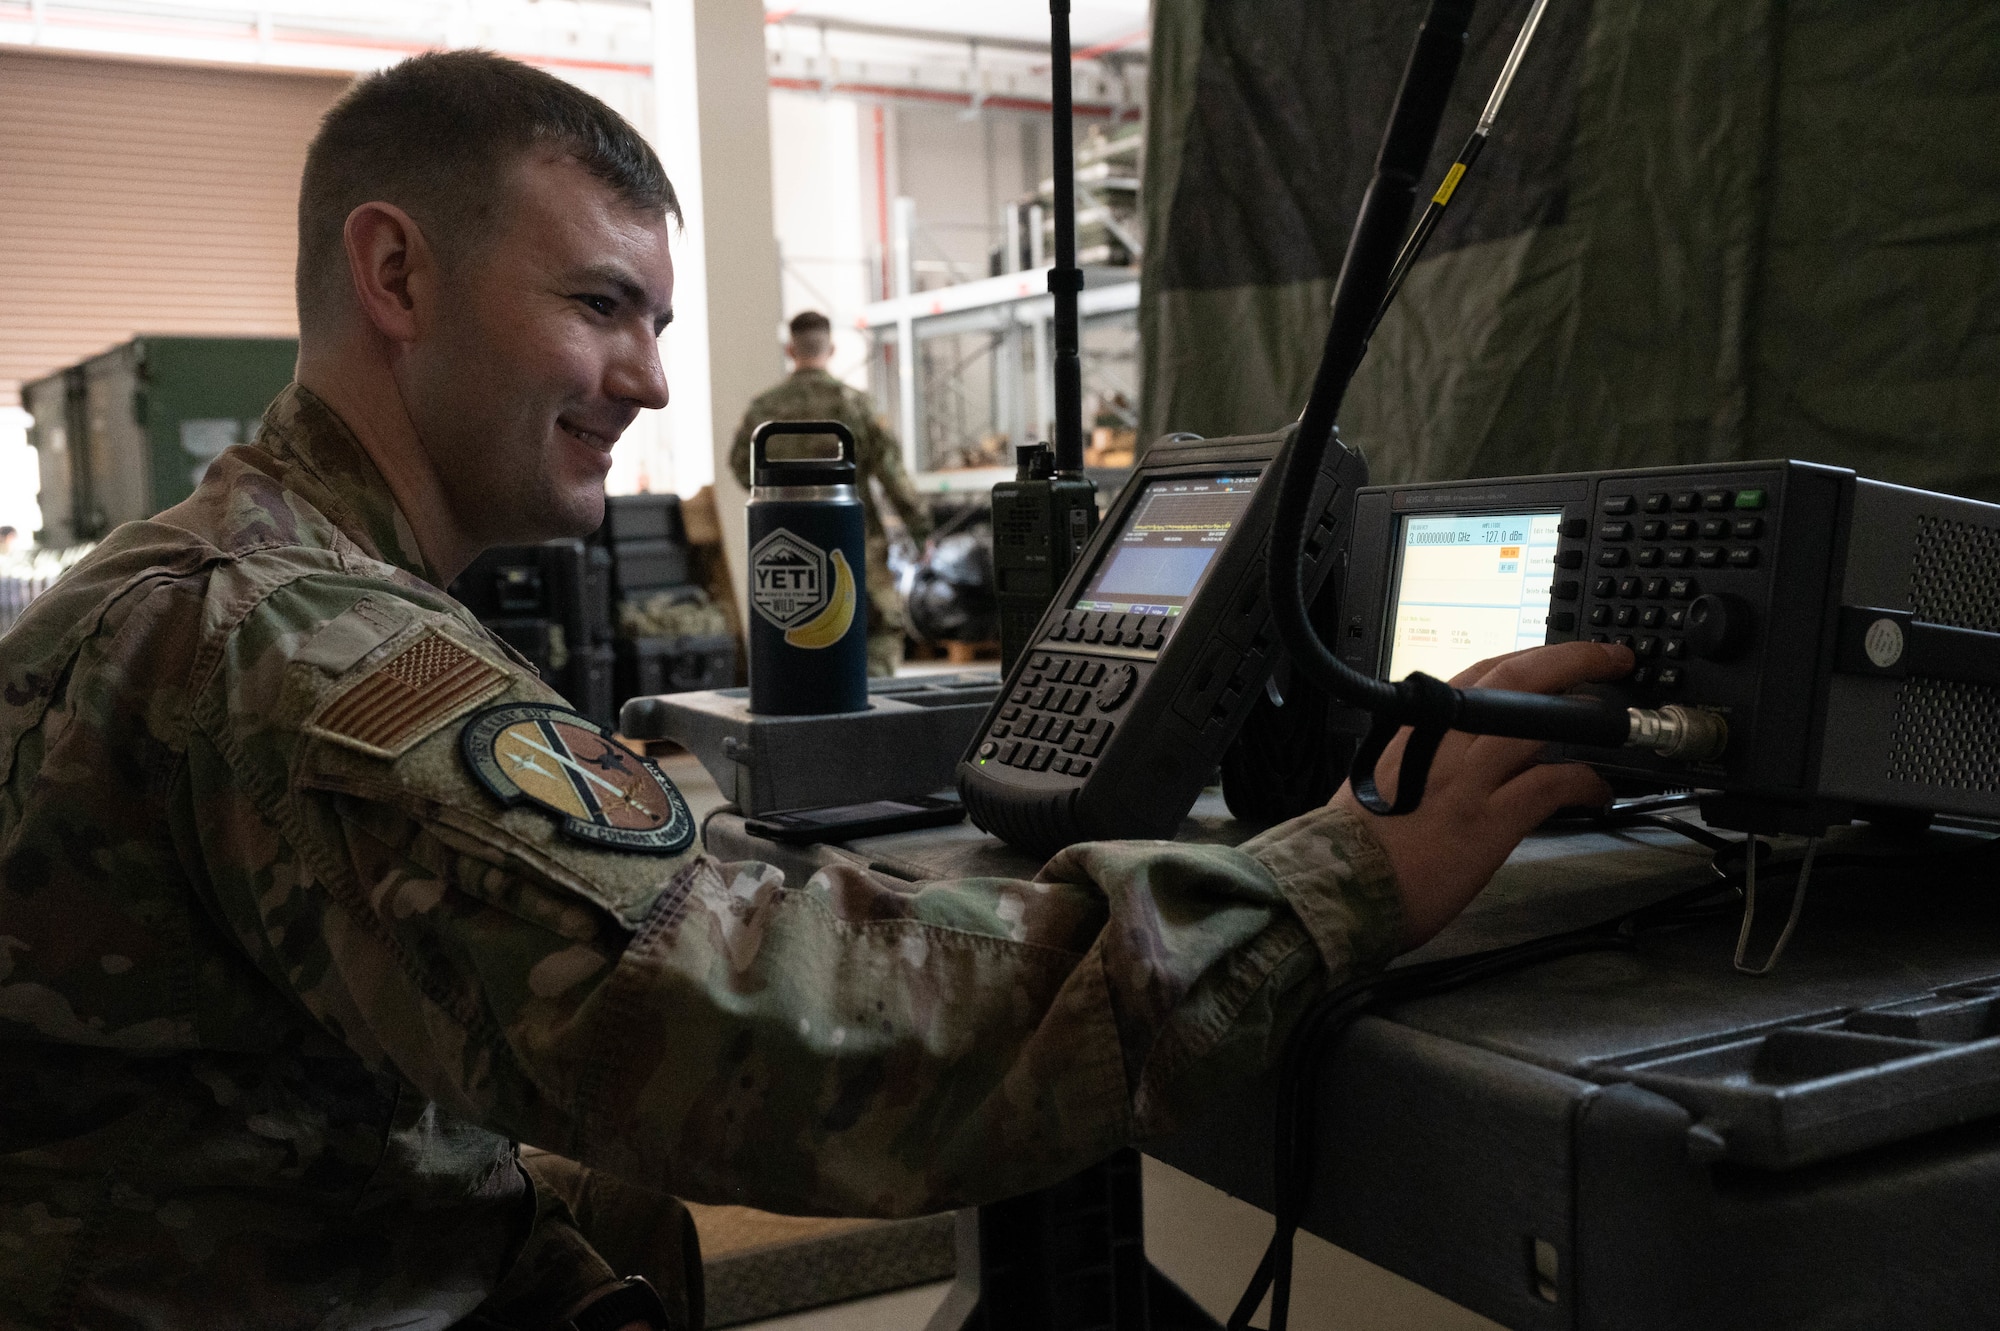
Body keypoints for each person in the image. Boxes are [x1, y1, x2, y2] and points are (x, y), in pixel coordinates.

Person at [0, 50, 1633, 1331]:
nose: (648, 376)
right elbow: (804, 1034)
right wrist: (1345, 870)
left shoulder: (192, 577)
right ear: (396, 274)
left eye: (655, 319)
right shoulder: (308, 657)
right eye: (598, 306)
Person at [728, 311, 932, 676]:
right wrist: (920, 529)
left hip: (786, 544)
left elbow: (741, 466)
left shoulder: (764, 409)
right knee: (878, 631)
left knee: (792, 633)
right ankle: (872, 720)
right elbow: (892, 474)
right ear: (832, 349)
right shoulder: (854, 405)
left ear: (790, 349)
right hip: (855, 541)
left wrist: (782, 500)